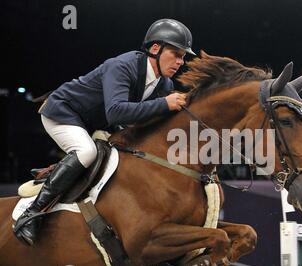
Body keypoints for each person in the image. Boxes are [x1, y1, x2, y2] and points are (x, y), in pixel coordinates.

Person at [13, 18, 196, 246]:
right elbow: (116, 113)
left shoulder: (164, 85)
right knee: (86, 152)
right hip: (63, 113)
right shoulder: (122, 66)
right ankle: (31, 214)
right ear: (155, 48)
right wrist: (164, 105)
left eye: (183, 57)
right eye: (176, 54)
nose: (180, 61)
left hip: (94, 124)